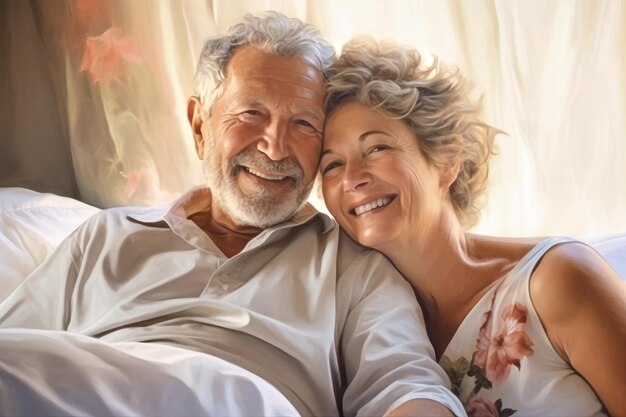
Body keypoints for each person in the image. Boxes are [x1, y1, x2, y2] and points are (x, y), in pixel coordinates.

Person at [0, 12, 465, 417]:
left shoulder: (354, 265)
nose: (275, 145)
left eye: (304, 123)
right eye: (251, 113)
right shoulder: (106, 235)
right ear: (201, 126)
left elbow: (406, 386)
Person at [320, 37, 626, 417]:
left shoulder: (559, 279)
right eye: (332, 164)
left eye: (377, 148)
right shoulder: (363, 338)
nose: (352, 178)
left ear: (447, 160)